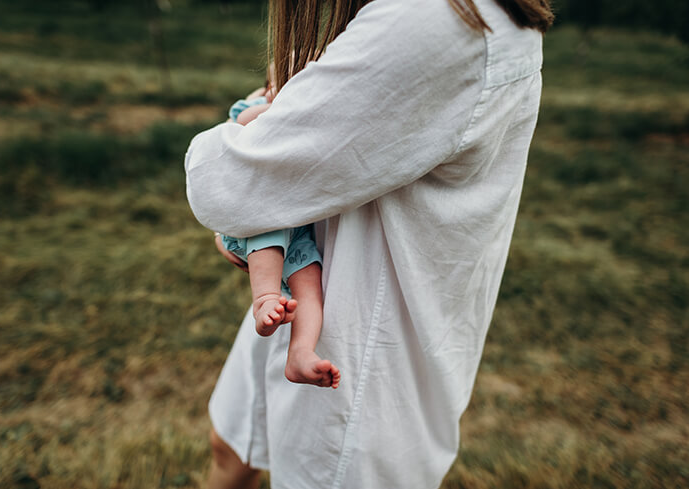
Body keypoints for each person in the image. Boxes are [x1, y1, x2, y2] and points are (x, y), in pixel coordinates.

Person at [184, 0, 553, 488]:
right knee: (235, 446)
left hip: (363, 330)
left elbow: (228, 181)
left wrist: (246, 145)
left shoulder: (436, 19)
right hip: (313, 261)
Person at [213, 84, 341, 389]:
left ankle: (300, 352)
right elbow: (242, 124)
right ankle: (266, 298)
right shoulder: (251, 106)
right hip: (261, 218)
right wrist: (277, 106)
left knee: (310, 289)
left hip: (298, 234)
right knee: (267, 235)